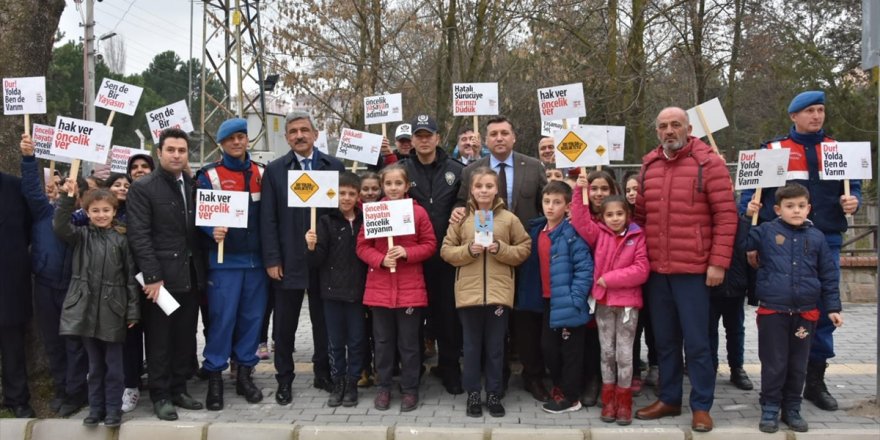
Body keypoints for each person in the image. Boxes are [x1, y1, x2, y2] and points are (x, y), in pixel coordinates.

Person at [739, 90, 860, 411]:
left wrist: (853, 201)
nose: (817, 116)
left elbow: (854, 187)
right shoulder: (773, 149)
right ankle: (777, 384)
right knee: (777, 313)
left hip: (826, 239)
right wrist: (749, 212)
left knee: (820, 310)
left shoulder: (837, 149)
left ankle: (815, 381)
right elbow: (752, 193)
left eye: (820, 110)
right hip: (778, 245)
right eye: (809, 111)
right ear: (793, 116)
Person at [633, 107, 738, 433]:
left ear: (689, 128)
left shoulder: (710, 164)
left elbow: (726, 217)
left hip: (694, 271)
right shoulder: (649, 165)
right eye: (663, 126)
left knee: (697, 343)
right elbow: (640, 219)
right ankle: (669, 398)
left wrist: (718, 263)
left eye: (675, 125)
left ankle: (701, 406)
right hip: (657, 272)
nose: (669, 130)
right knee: (663, 342)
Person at [453, 115, 549, 402]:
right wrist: (457, 211)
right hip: (484, 261)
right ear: (486, 138)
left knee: (524, 319)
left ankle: (532, 375)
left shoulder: (532, 166)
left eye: (504, 133)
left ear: (514, 137)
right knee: (493, 324)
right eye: (493, 133)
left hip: (521, 255)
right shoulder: (473, 170)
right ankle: (496, 379)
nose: (499, 138)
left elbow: (548, 201)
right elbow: (461, 201)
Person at [744, 183, 844, 433]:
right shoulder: (765, 231)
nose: (796, 211)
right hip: (773, 312)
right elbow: (742, 244)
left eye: (801, 206)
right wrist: (747, 216)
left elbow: (828, 275)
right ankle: (770, 407)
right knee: (774, 362)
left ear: (809, 208)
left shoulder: (817, 237)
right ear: (778, 209)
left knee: (798, 364)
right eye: (790, 206)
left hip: (805, 312)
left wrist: (833, 307)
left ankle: (792, 408)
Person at [261, 111, 344, 405]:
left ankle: (324, 372)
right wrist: (272, 259)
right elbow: (267, 219)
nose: (299, 135)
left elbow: (341, 214)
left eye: (304, 130)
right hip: (288, 261)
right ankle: (284, 378)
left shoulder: (333, 166)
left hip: (324, 261)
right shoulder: (274, 171)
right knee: (285, 325)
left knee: (324, 322)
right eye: (293, 131)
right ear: (286, 138)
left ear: (315, 134)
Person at [127, 128, 207, 421]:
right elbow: (139, 235)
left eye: (182, 150)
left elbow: (198, 228)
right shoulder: (143, 187)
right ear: (158, 153)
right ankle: (160, 396)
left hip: (190, 275)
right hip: (160, 279)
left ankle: (178, 388)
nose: (176, 155)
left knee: (185, 337)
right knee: (160, 339)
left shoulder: (193, 183)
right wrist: (152, 276)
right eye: (171, 150)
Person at [440, 166, 531, 418]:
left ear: (496, 189)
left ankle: (493, 392)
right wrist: (468, 250)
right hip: (468, 294)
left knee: (495, 347)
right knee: (470, 348)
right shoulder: (461, 219)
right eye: (479, 186)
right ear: (471, 189)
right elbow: (446, 251)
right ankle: (472, 394)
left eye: (489, 186)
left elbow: (524, 248)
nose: (484, 190)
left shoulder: (509, 219)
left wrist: (500, 248)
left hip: (499, 293)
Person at [53, 181, 140, 427]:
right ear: (87, 212)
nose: (101, 215)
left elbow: (131, 278)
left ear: (114, 212)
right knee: (94, 366)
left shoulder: (122, 240)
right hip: (86, 309)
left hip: (113, 309)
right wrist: (67, 198)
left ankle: (113, 409)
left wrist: (132, 311)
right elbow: (59, 225)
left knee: (114, 366)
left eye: (106, 210)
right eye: (95, 210)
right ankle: (95, 408)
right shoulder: (80, 236)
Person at [195, 118, 268, 410]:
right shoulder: (209, 175)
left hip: (257, 262)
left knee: (252, 319)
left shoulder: (263, 172)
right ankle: (215, 374)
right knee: (222, 320)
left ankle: (244, 374)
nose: (237, 142)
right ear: (221, 144)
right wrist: (210, 230)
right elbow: (200, 215)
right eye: (230, 139)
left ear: (247, 140)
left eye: (241, 137)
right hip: (224, 261)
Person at [18, 134, 89, 417]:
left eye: (70, 188)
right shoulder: (42, 213)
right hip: (45, 286)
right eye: (60, 187)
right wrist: (27, 158)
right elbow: (33, 189)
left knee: (73, 343)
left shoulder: (85, 218)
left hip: (72, 287)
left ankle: (76, 392)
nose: (62, 190)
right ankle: (61, 389)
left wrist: (72, 201)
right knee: (53, 343)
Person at [356, 165, 436, 412]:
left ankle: (410, 388)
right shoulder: (374, 212)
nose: (392, 188)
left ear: (406, 185)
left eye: (397, 183)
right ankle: (384, 387)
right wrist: (380, 259)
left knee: (410, 343)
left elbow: (430, 244)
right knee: (382, 342)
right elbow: (362, 246)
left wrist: (407, 252)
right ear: (382, 186)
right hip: (380, 290)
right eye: (388, 184)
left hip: (409, 289)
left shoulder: (418, 212)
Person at [400, 114, 465, 395]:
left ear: (438, 138)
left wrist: (460, 207)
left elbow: (464, 199)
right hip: (411, 260)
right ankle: (412, 373)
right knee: (412, 320)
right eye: (419, 135)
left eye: (429, 135)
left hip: (446, 259)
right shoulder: (402, 170)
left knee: (447, 318)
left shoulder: (456, 170)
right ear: (412, 140)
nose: (424, 140)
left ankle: (449, 369)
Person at [571, 193, 649, 425]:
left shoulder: (637, 236)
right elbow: (579, 220)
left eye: (619, 214)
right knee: (607, 353)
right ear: (602, 217)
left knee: (624, 355)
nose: (614, 219)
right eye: (609, 215)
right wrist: (579, 192)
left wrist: (609, 279)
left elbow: (641, 269)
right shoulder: (598, 234)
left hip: (627, 305)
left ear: (627, 215)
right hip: (604, 303)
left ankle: (624, 401)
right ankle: (609, 400)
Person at [517, 181, 593, 413]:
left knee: (570, 351)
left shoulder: (571, 234)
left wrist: (574, 298)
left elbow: (585, 270)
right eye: (547, 201)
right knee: (548, 347)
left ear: (568, 206)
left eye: (557, 202)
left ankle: (571, 397)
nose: (550, 207)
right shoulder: (538, 230)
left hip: (568, 302)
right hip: (547, 301)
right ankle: (560, 387)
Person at [306, 172, 367, 407]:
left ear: (358, 196)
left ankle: (353, 382)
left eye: (352, 193)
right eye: (342, 193)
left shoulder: (364, 220)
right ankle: (338, 380)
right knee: (335, 340)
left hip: (358, 292)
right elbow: (316, 261)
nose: (347, 198)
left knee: (356, 339)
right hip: (331, 291)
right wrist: (311, 247)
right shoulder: (325, 221)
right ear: (334, 195)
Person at [0, 165, 35, 419]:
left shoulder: (14, 186)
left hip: (9, 280)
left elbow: (28, 227)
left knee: (12, 344)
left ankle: (17, 399)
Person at [621, 171, 657, 393]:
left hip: (653, 279)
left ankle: (655, 365)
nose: (632, 194)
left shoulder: (653, 214)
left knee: (655, 327)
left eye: (637, 189)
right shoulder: (621, 217)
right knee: (632, 329)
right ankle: (633, 370)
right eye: (628, 190)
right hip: (630, 283)